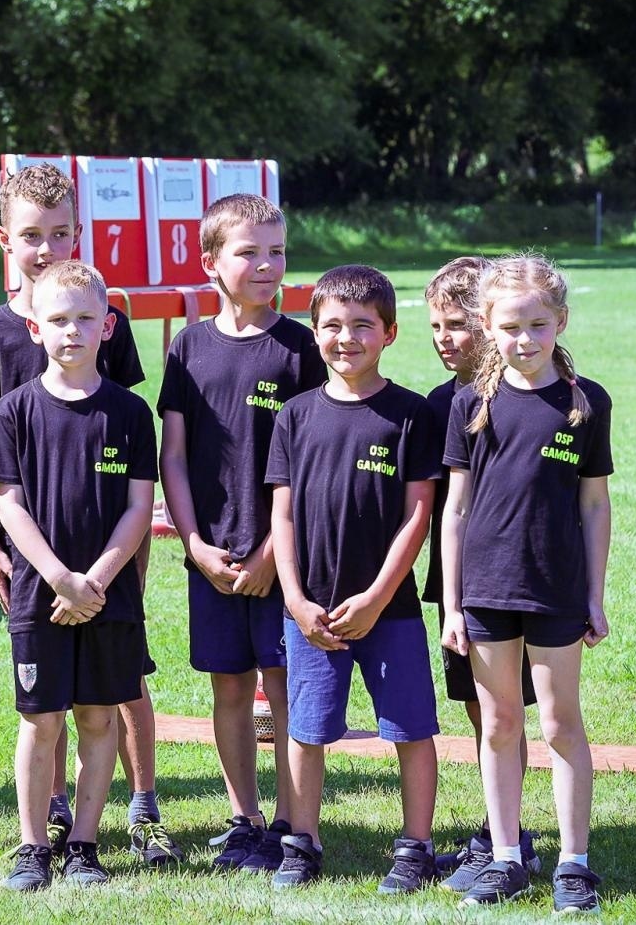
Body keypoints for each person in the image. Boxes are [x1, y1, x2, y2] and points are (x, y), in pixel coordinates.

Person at [0, 163, 176, 867]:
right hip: (35, 551)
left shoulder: (107, 327)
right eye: (32, 235)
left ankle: (141, 805)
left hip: (110, 545)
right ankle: (48, 818)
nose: (46, 247)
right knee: (45, 703)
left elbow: (133, 464)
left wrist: (117, 568)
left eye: (60, 234)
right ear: (5, 239)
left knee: (123, 679)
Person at [156, 194, 323, 872]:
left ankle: (289, 821)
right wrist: (195, 545)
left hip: (282, 558)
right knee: (229, 688)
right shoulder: (188, 347)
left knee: (282, 689)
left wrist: (272, 554)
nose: (266, 264)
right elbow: (172, 456)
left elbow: (313, 461)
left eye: (276, 251)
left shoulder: (302, 348)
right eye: (248, 252)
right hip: (212, 556)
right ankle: (245, 819)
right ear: (210, 262)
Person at [440, 252, 612, 913]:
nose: (525, 339)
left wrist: (594, 594)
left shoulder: (586, 403)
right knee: (501, 723)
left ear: (560, 321)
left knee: (561, 722)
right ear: (488, 326)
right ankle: (507, 856)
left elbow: (594, 504)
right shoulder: (470, 404)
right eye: (510, 326)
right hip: (486, 591)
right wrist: (452, 604)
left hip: (556, 589)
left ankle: (574, 862)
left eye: (538, 325)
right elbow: (456, 510)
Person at [265, 264, 441, 893]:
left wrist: (375, 597)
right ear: (314, 333)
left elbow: (418, 515)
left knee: (411, 729)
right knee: (306, 731)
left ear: (389, 333)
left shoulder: (411, 414)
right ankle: (302, 842)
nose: (347, 338)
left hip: (389, 612)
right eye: (333, 325)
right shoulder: (293, 416)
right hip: (309, 612)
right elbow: (282, 514)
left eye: (363, 325)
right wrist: (294, 597)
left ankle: (416, 847)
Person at [0, 261, 158, 891]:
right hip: (41, 596)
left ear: (107, 326)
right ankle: (32, 845)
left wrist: (97, 581)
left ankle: (84, 843)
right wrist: (61, 578)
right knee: (41, 721)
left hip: (109, 597)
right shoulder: (14, 412)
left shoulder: (130, 414)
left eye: (86, 319)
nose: (72, 331)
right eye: (58, 319)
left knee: (98, 718)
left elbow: (139, 508)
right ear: (35, 328)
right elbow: (10, 505)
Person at [419, 257, 541, 889]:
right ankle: (500, 833)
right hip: (458, 582)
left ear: (489, 323)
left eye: (457, 325)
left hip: (515, 580)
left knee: (504, 712)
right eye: (435, 326)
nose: (445, 338)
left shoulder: (528, 396)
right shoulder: (441, 403)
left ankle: (509, 840)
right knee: (477, 707)